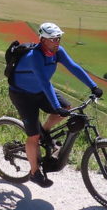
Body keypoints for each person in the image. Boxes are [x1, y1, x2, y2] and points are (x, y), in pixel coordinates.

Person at [9, 21, 102, 187]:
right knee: (33, 136)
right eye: (53, 39)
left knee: (66, 108)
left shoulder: (58, 52)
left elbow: (74, 67)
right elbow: (44, 82)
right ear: (43, 40)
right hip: (22, 95)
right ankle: (34, 173)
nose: (57, 41)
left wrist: (93, 86)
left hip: (39, 91)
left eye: (58, 38)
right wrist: (55, 106)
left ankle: (45, 132)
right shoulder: (34, 56)